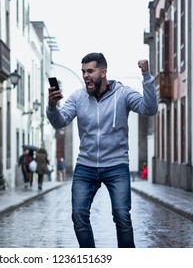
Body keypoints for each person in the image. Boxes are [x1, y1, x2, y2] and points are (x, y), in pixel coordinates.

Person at [46, 52, 158, 248]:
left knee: (122, 216)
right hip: (85, 166)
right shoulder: (78, 97)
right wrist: (52, 106)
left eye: (90, 71)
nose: (86, 75)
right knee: (79, 215)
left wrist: (147, 76)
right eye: (83, 72)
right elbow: (60, 121)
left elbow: (149, 109)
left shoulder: (123, 94)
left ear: (103, 72)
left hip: (116, 165)